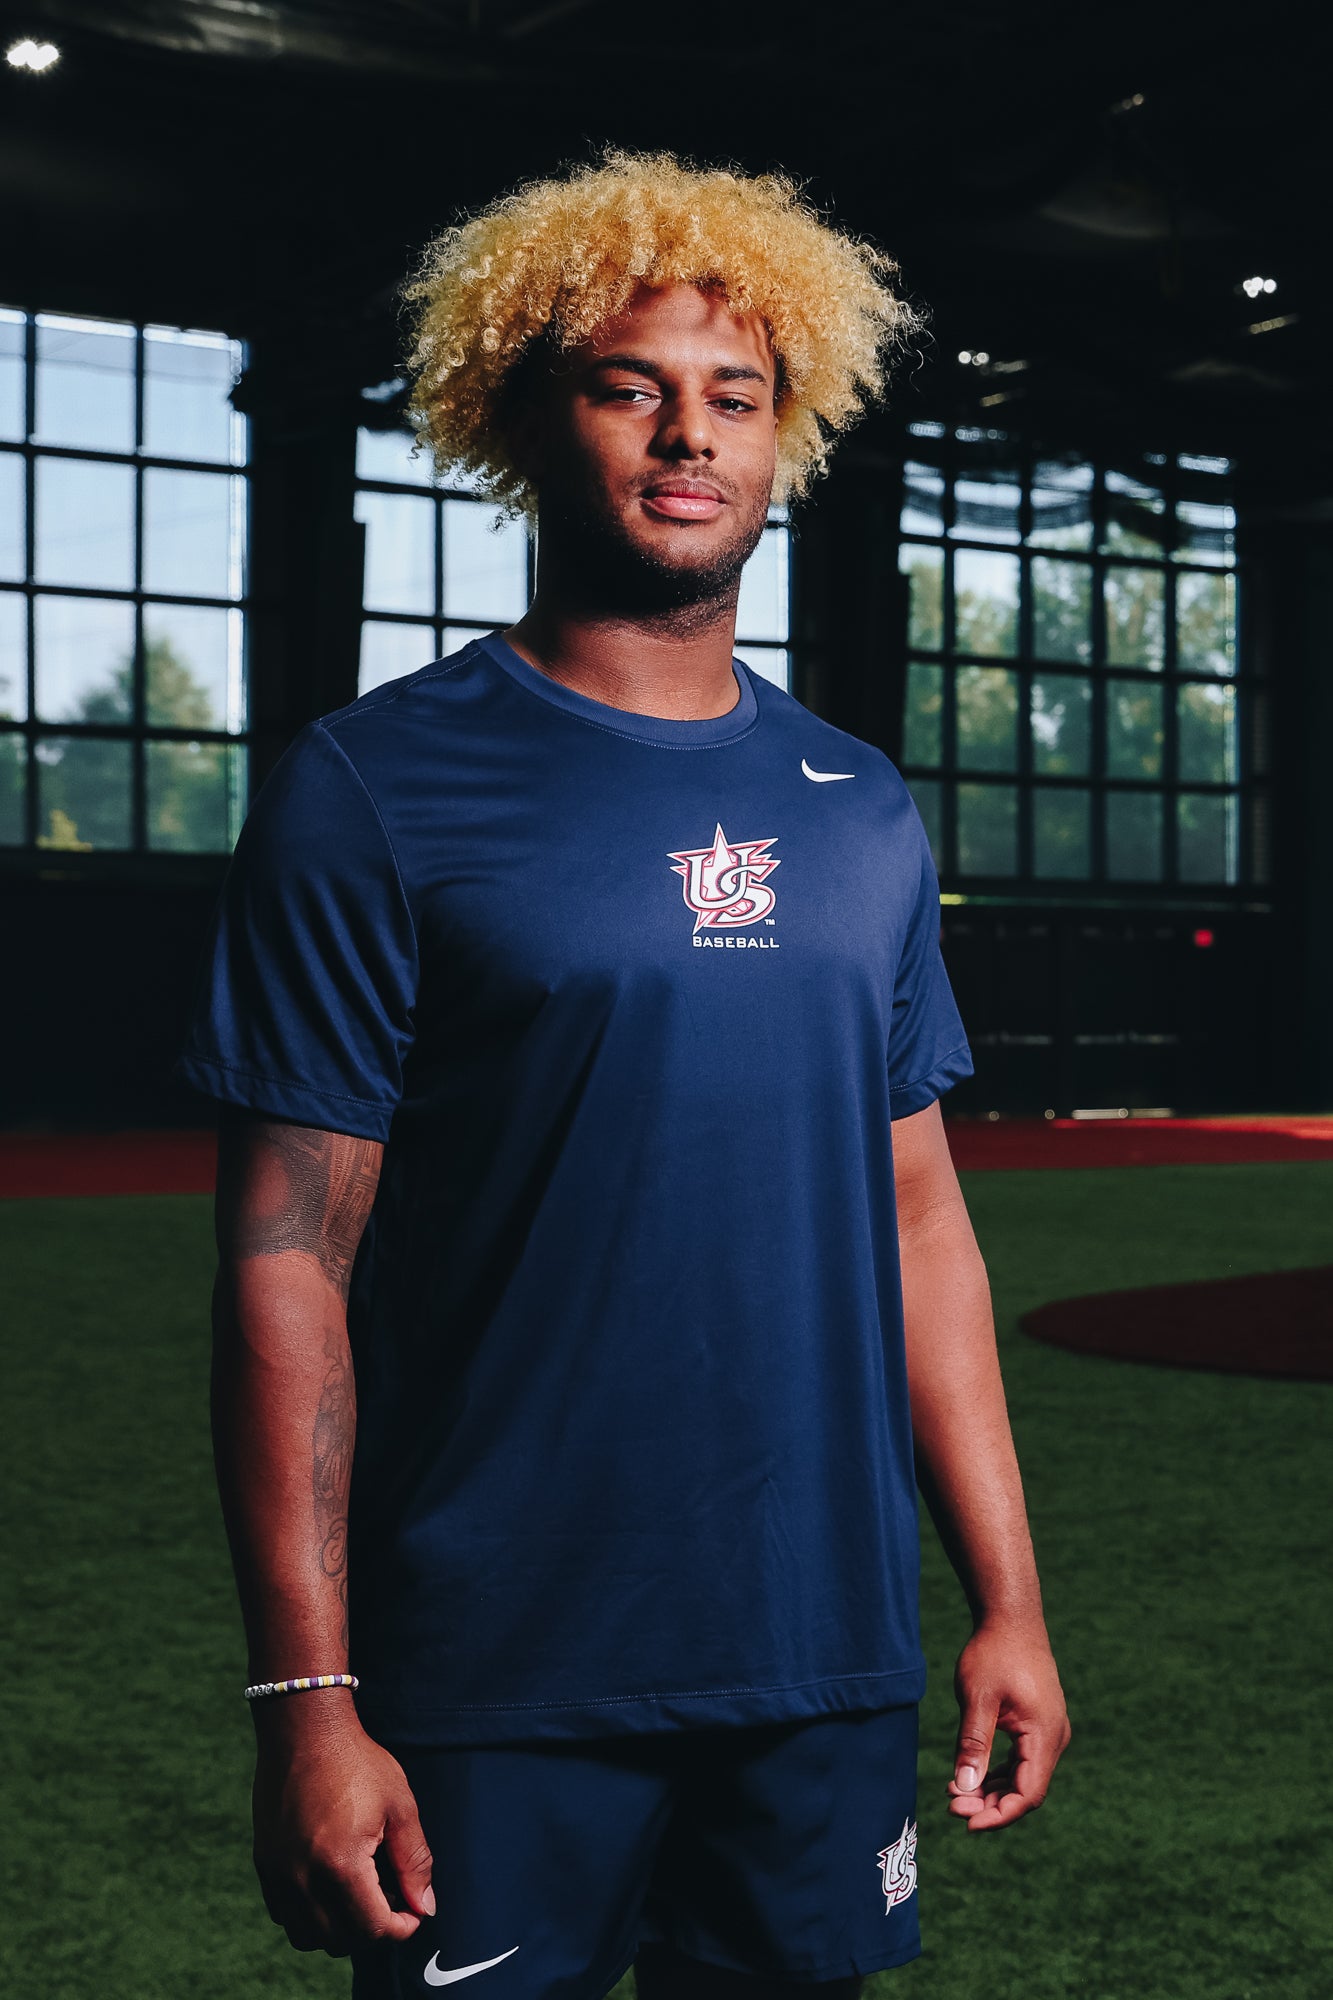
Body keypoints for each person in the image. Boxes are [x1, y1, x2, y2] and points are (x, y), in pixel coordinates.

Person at [173, 148, 1071, 2000]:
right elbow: (285, 1262)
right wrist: (306, 1697)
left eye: (734, 396)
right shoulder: (373, 788)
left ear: (783, 435)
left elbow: (922, 1229)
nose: (689, 436)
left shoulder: (858, 806)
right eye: (627, 387)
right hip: (496, 1668)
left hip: (819, 1660)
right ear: (522, 419)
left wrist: (1009, 1600)